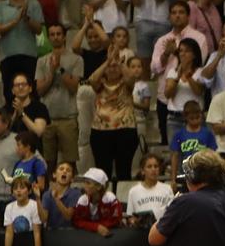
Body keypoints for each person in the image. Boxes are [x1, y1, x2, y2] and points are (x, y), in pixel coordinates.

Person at [152, 1, 209, 145]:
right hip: (166, 99)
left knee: (196, 152)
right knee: (170, 147)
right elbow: (154, 68)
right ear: (169, 16)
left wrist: (179, 57)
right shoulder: (162, 41)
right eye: (174, 13)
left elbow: (197, 62)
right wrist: (166, 53)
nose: (177, 16)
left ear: (188, 16)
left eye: (181, 12)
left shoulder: (199, 38)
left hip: (193, 103)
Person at [36, 23, 82, 174]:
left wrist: (60, 70)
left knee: (70, 162)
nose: (55, 37)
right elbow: (40, 90)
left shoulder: (76, 59)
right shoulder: (42, 61)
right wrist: (51, 72)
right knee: (48, 163)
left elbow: (74, 87)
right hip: (47, 119)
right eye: (52, 34)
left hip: (68, 117)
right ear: (49, 38)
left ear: (64, 37)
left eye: (58, 34)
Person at [0, 0, 45, 105]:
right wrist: (15, 21)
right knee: (10, 93)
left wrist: (26, 19)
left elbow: (39, 29)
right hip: (8, 56)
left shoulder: (33, 3)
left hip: (29, 55)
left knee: (31, 92)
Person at [88, 49, 137, 181]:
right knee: (102, 172)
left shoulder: (126, 84)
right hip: (100, 131)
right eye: (109, 66)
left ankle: (123, 199)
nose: (112, 69)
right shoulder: (100, 84)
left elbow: (132, 77)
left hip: (125, 130)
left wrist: (119, 63)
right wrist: (108, 61)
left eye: (115, 66)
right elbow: (92, 79)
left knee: (124, 170)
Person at [164, 39, 206, 143]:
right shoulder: (172, 72)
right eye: (181, 51)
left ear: (194, 55)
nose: (183, 54)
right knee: (176, 154)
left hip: (195, 118)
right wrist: (178, 76)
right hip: (175, 119)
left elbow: (198, 91)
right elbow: (168, 94)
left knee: (197, 154)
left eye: (187, 51)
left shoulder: (201, 71)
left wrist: (188, 76)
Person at [170, 100, 218, 190]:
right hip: (186, 173)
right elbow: (175, 156)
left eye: (198, 117)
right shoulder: (179, 134)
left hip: (204, 173)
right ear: (186, 117)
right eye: (192, 118)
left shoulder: (207, 133)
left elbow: (213, 154)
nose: (195, 120)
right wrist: (173, 179)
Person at [3, 176, 42, 246]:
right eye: (15, 189)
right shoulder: (9, 207)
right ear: (12, 192)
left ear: (29, 191)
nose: (18, 191)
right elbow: (9, 233)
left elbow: (37, 233)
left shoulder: (34, 205)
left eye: (22, 188)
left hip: (30, 243)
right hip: (17, 243)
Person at [73, 167, 122, 236]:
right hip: (87, 235)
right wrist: (96, 227)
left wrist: (98, 226)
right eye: (84, 182)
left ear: (98, 187)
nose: (84, 186)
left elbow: (116, 220)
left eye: (88, 183)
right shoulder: (82, 200)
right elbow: (77, 221)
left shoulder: (110, 199)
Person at [127, 153, 174, 226]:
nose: (153, 169)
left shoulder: (167, 189)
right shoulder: (133, 191)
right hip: (141, 231)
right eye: (149, 167)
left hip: (162, 229)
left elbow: (172, 213)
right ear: (142, 171)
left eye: (156, 166)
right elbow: (130, 216)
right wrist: (134, 221)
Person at [7, 73, 50, 137]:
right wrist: (14, 115)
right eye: (17, 85)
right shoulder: (7, 108)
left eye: (24, 84)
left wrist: (22, 114)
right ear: (12, 90)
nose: (20, 87)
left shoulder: (40, 107)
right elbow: (2, 132)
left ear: (30, 88)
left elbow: (38, 132)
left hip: (33, 145)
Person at [41, 161, 81, 228]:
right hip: (51, 233)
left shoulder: (75, 193)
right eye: (61, 169)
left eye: (68, 170)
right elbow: (43, 219)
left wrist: (56, 199)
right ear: (54, 175)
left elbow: (68, 217)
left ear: (72, 179)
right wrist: (37, 198)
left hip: (69, 233)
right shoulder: (47, 195)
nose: (64, 171)